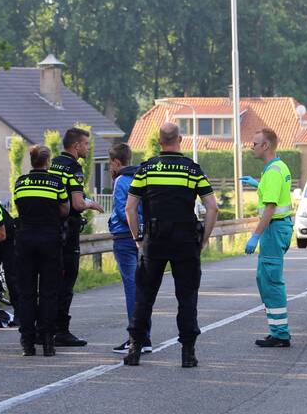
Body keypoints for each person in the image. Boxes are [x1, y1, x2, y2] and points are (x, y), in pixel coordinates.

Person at [122, 122, 219, 368]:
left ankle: (135, 348)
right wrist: (204, 239)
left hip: (154, 240)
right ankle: (188, 353)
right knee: (187, 296)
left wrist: (138, 240)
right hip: (186, 241)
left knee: (145, 295)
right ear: (180, 140)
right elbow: (212, 207)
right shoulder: (192, 170)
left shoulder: (146, 170)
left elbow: (130, 208)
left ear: (158, 140)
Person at [49, 127, 105, 347]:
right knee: (67, 278)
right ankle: (61, 330)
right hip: (67, 230)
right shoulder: (74, 167)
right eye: (86, 145)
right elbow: (77, 204)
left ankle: (46, 326)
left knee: (51, 279)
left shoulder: (55, 163)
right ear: (76, 146)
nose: (88, 149)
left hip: (51, 228)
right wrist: (91, 204)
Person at [13, 145, 70, 357]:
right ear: (48, 162)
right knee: (49, 292)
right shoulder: (56, 182)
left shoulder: (21, 182)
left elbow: (19, 208)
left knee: (27, 293)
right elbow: (65, 209)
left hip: (25, 239)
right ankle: (47, 341)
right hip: (50, 239)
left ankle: (27, 342)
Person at [242, 128, 294, 348]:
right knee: (265, 278)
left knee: (271, 281)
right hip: (278, 229)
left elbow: (270, 208)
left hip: (273, 229)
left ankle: (280, 333)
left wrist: (255, 236)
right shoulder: (277, 167)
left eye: (254, 143)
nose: (251, 147)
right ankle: (277, 330)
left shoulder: (272, 171)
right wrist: (258, 184)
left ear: (266, 146)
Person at [107, 142, 147, 355]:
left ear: (116, 162)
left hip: (125, 237)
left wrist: (134, 228)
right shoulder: (142, 176)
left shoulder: (121, 180)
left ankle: (136, 338)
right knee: (142, 287)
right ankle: (145, 336)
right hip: (144, 237)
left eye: (109, 164)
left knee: (131, 287)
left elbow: (124, 211)